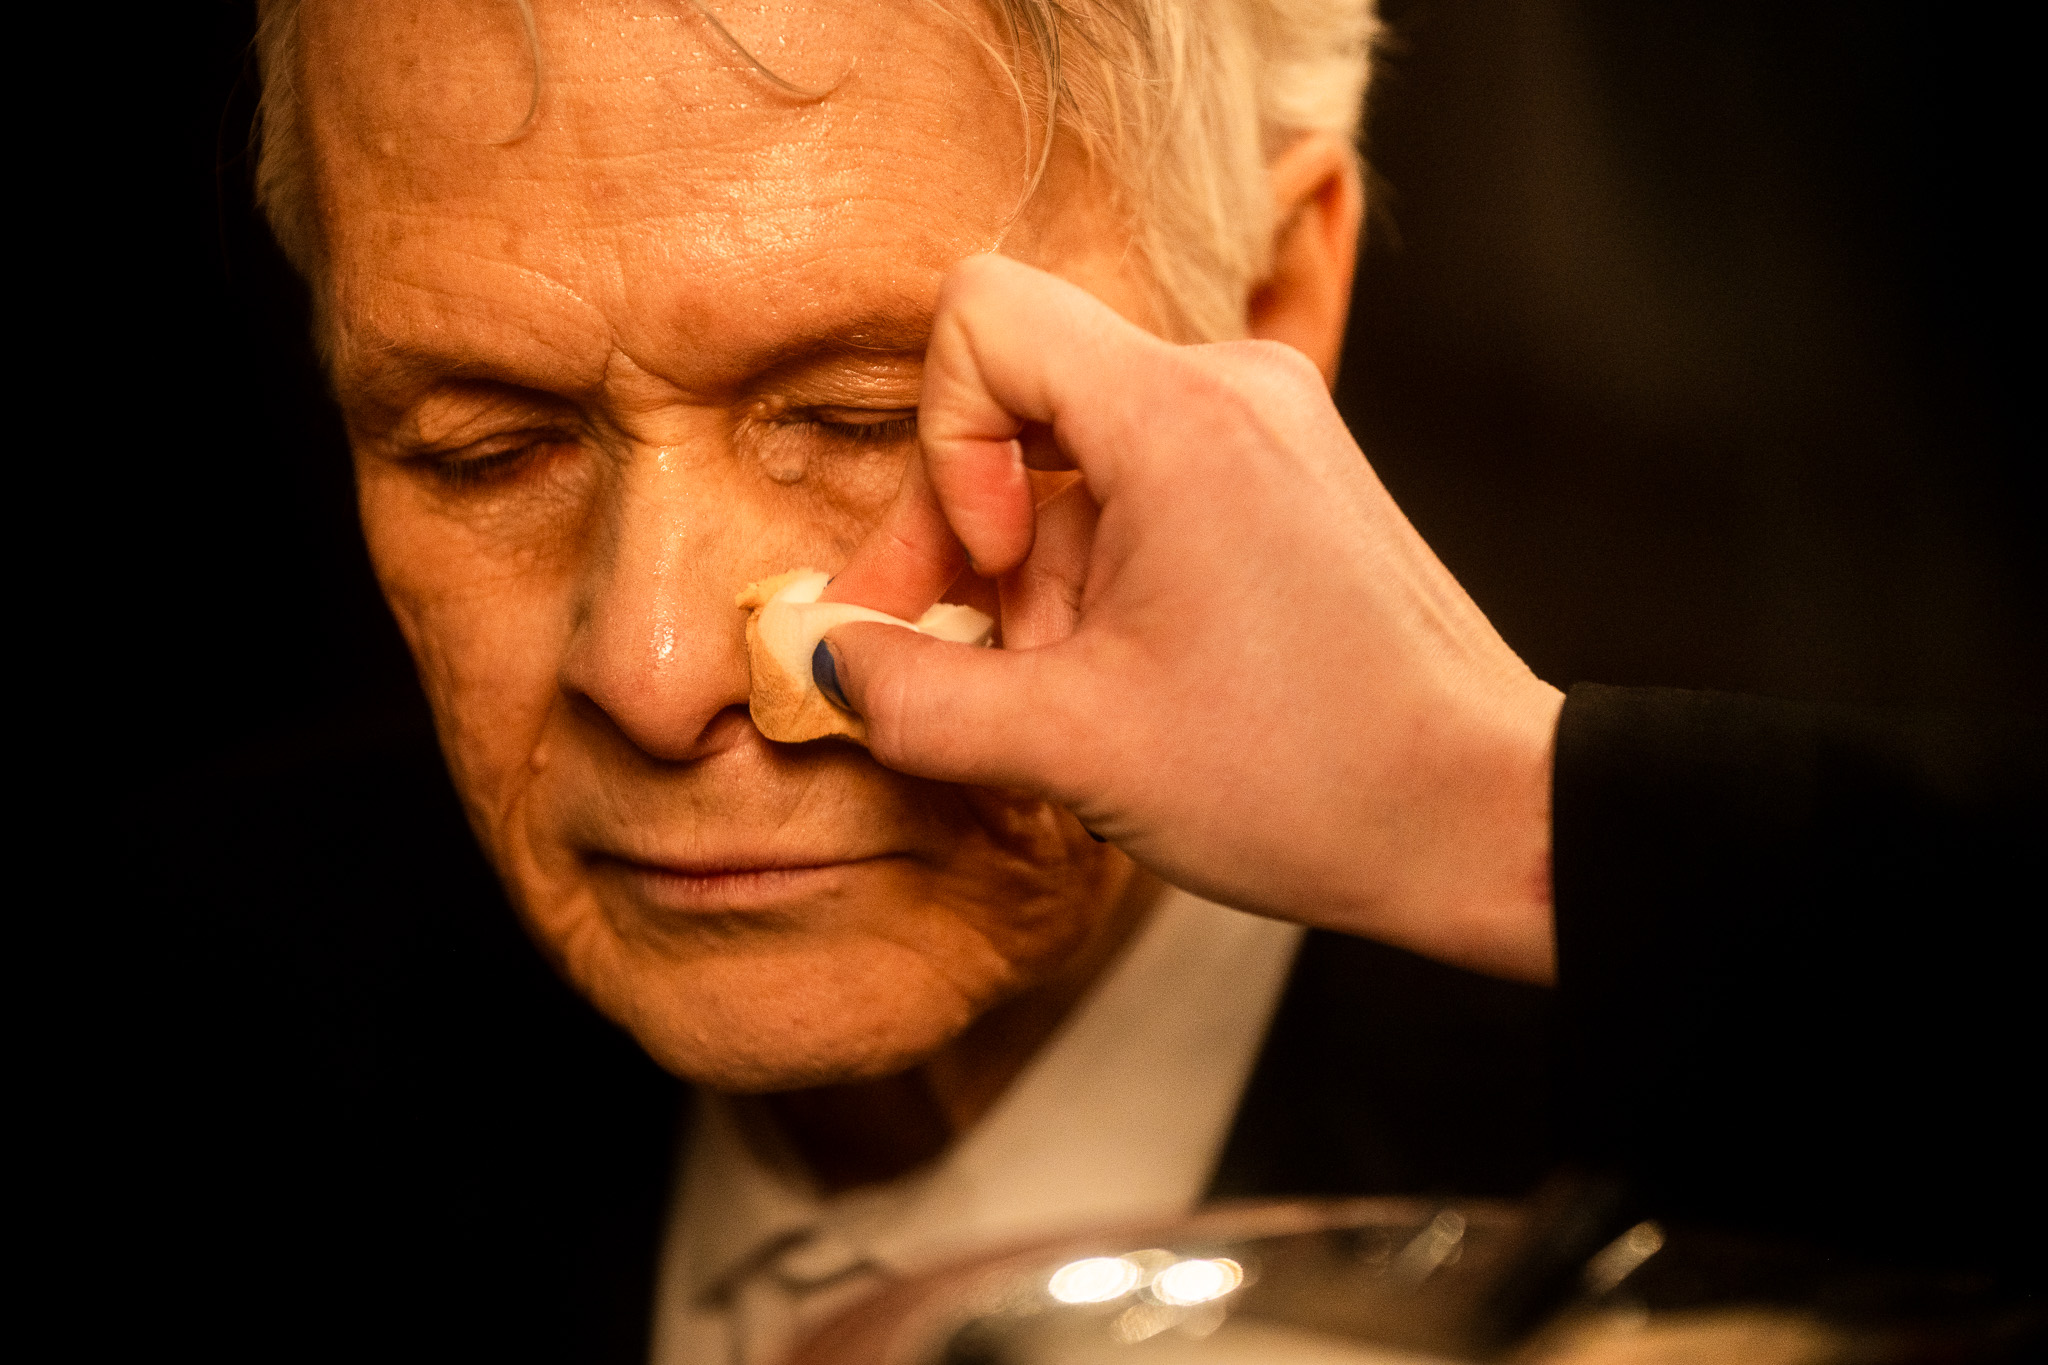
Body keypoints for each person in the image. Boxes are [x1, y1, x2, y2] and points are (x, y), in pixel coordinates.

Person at [130, 0, 2040, 1361]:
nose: (649, 669)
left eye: (861, 416)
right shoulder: (197, 1030)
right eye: (485, 448)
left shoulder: (1816, 1137)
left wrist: (1512, 817)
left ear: (1269, 302)